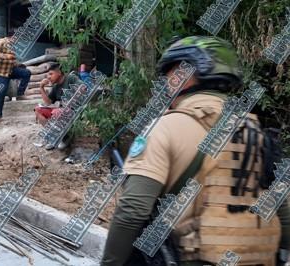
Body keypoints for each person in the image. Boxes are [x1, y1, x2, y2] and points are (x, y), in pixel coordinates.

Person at [101, 36, 290, 265]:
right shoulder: (258, 133)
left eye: (171, 73)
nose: (167, 82)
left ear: (187, 74)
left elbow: (132, 210)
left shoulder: (166, 127)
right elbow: (285, 214)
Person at [34, 63, 84, 149]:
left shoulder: (70, 78)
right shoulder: (56, 87)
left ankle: (65, 138)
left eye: (51, 74)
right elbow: (48, 102)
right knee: (38, 110)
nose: (48, 77)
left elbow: (83, 88)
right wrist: (41, 88)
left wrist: (65, 106)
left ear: (59, 73)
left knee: (57, 112)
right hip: (62, 111)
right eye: (48, 75)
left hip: (74, 111)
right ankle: (53, 137)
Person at [0, 33, 31, 123]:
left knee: (26, 73)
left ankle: (20, 94)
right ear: (12, 37)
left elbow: (12, 61)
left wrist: (18, 65)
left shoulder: (12, 46)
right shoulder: (2, 41)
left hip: (10, 70)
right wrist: (7, 57)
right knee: (2, 91)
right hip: (1, 73)